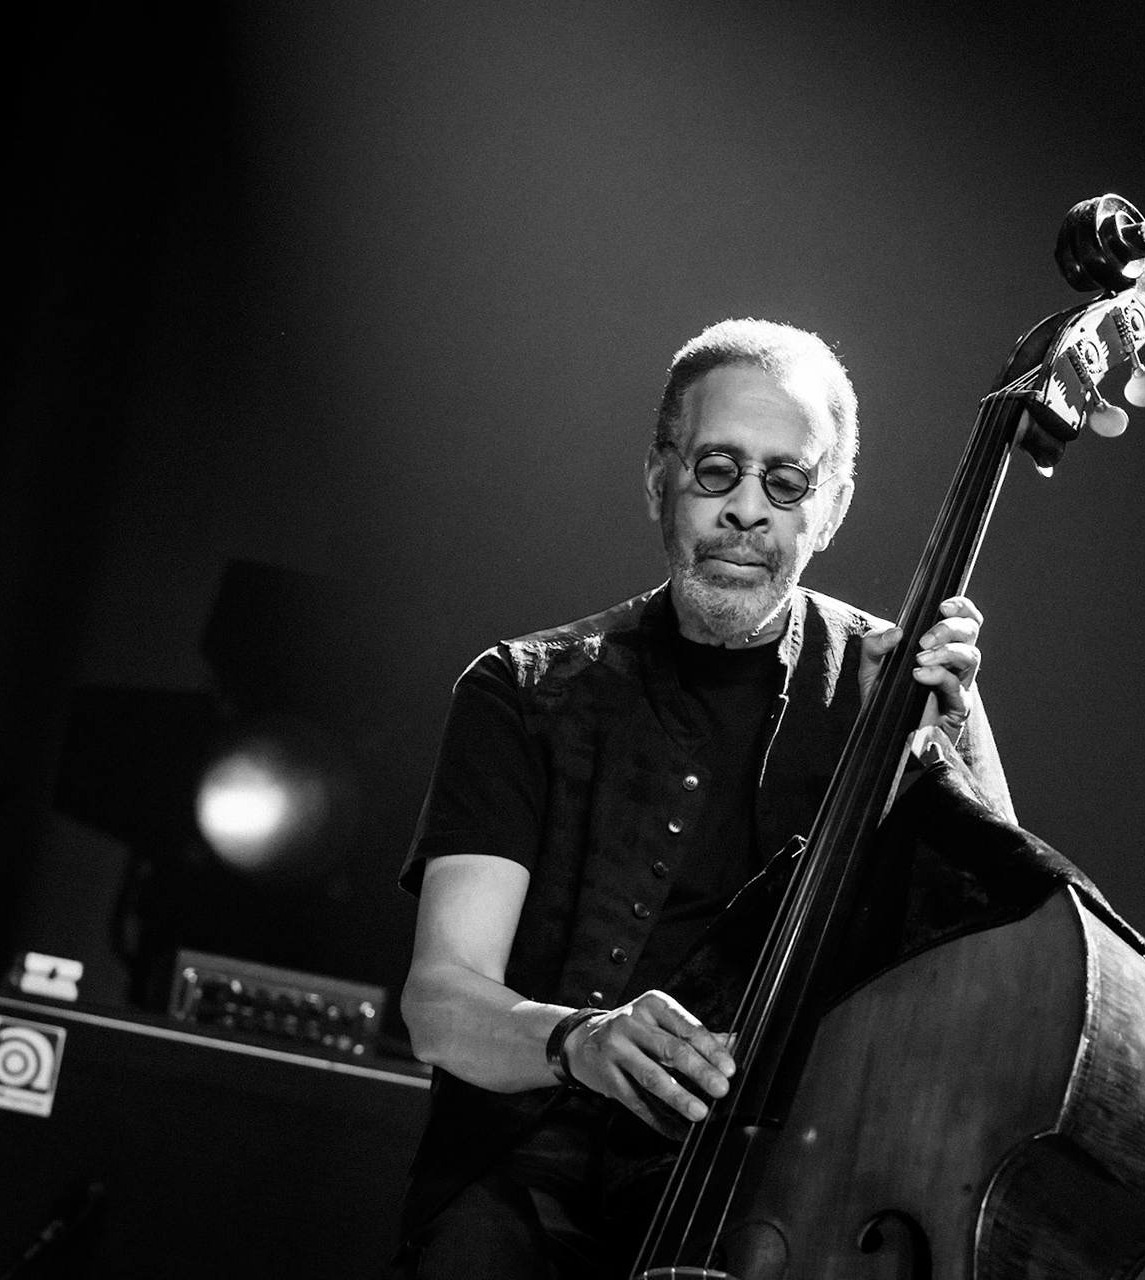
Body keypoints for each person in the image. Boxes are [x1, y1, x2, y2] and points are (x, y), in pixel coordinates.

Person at [395, 319, 1014, 1277]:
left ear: (832, 506)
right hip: (532, 1176)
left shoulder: (896, 690)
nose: (746, 511)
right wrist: (580, 1041)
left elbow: (998, 971)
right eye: (717, 468)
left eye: (786, 480)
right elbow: (441, 1000)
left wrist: (955, 738)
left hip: (776, 1200)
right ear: (660, 478)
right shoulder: (521, 692)